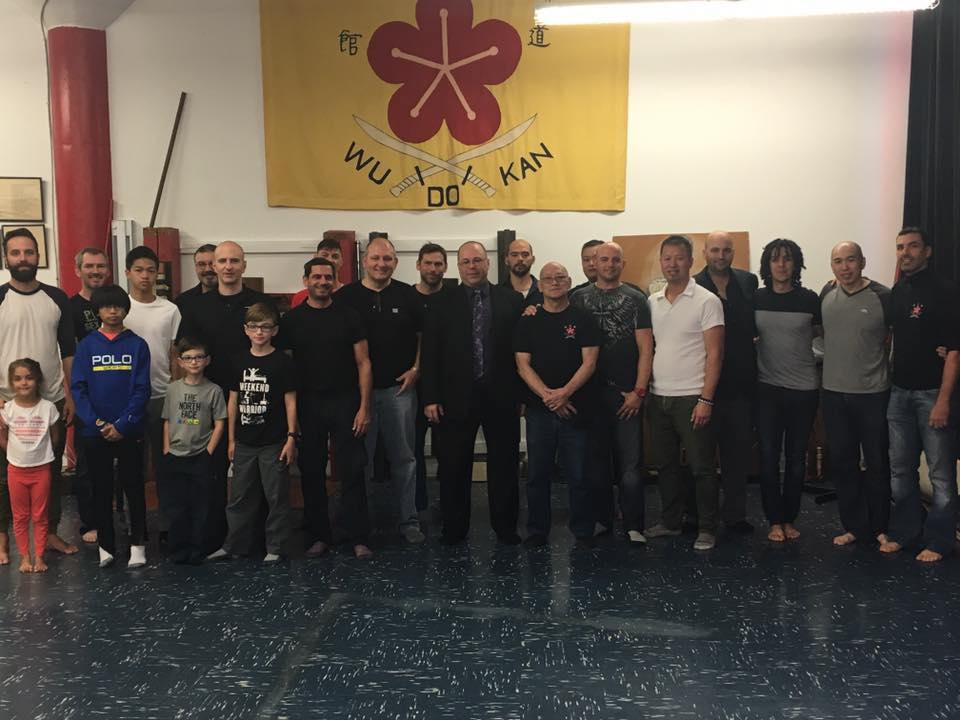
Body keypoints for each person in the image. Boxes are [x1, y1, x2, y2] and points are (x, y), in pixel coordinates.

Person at [421, 241, 524, 545]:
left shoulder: (511, 300)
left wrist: (521, 396)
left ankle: (506, 528)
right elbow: (430, 353)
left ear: (488, 263)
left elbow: (521, 352)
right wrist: (430, 397)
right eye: (465, 261)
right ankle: (454, 529)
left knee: (505, 464)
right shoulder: (442, 302)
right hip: (454, 398)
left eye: (477, 260)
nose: (472, 266)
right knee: (453, 465)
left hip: (501, 395)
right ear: (458, 265)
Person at [177, 240, 276, 551]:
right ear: (213, 267)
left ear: (244, 266)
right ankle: (214, 535)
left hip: (255, 396)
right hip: (209, 397)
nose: (229, 266)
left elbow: (277, 351)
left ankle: (255, 536)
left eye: (235, 261)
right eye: (223, 261)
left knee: (255, 472)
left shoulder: (261, 303)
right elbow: (185, 354)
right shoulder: (195, 307)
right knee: (211, 468)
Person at [278, 258, 373, 560]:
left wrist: (364, 407)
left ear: (335, 280)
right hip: (308, 404)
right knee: (311, 471)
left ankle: (357, 536)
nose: (322, 281)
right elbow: (286, 370)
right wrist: (291, 417)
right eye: (316, 276)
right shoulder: (292, 320)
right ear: (305, 280)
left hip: (346, 402)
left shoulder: (349, 315)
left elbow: (364, 363)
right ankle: (319, 535)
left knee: (353, 470)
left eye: (327, 277)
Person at [880, 228, 960, 562]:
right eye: (900, 247)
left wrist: (943, 400)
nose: (905, 252)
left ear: (927, 251)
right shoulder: (898, 290)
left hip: (932, 395)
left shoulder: (946, 291)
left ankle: (940, 541)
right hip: (899, 393)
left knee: (941, 474)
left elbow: (954, 352)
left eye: (913, 246)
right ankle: (906, 532)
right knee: (900, 471)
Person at [337, 237, 424, 543]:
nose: (381, 264)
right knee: (362, 461)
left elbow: (422, 336)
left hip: (397, 392)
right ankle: (363, 525)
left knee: (405, 459)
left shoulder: (407, 295)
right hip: (357, 395)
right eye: (375, 258)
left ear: (395, 262)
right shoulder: (345, 297)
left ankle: (408, 521)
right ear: (364, 260)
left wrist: (416, 369)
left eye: (387, 259)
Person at [0, 227, 78, 565]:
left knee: (51, 472)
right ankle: (3, 540)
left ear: (38, 256)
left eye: (29, 252)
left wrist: (71, 395)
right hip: (6, 402)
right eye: (16, 253)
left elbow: (69, 351)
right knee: (6, 474)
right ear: (6, 258)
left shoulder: (57, 298)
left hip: (51, 401)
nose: (22, 259)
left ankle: (51, 532)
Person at [645, 235, 724, 551]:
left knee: (702, 467)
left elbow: (715, 354)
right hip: (658, 396)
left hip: (692, 397)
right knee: (665, 466)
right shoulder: (652, 302)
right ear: (661, 262)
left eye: (679, 258)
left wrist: (706, 399)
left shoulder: (707, 301)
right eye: (667, 258)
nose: (672, 264)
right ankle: (671, 521)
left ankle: (706, 526)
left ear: (691, 262)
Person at [570, 241, 653, 543]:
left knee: (630, 465)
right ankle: (602, 520)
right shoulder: (578, 298)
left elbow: (646, 349)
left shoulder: (636, 299)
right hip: (590, 396)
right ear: (594, 262)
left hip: (627, 393)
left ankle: (633, 524)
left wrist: (639, 391)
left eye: (614, 260)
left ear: (623, 263)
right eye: (602, 259)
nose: (608, 264)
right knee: (595, 464)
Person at [515, 262, 601, 545]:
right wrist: (549, 397)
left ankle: (583, 529)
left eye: (560, 278)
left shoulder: (583, 318)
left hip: (576, 408)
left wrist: (564, 393)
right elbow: (522, 365)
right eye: (548, 279)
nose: (554, 282)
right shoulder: (527, 320)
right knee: (537, 474)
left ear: (569, 282)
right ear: (539, 285)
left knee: (578, 474)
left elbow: (590, 362)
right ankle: (538, 530)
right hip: (540, 411)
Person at [209, 303, 296, 564]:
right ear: (246, 330)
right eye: (254, 327)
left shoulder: (283, 361)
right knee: (239, 496)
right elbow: (233, 400)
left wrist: (292, 437)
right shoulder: (238, 360)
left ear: (275, 330)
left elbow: (291, 400)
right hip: (244, 441)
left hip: (274, 441)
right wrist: (232, 439)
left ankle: (277, 546)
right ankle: (235, 544)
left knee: (276, 496)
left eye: (265, 327)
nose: (260, 332)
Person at [71, 285, 152, 568]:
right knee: (100, 488)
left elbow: (142, 389)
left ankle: (138, 543)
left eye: (118, 306)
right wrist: (97, 422)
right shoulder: (87, 346)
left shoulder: (137, 345)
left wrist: (122, 424)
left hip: (128, 429)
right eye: (107, 307)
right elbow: (78, 389)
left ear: (125, 309)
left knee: (133, 487)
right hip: (96, 431)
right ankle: (106, 545)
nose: (113, 311)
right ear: (98, 311)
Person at [820, 242, 892, 548]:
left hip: (873, 393)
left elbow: (900, 335)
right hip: (834, 393)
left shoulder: (883, 296)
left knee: (876, 462)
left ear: (863, 261)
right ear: (832, 265)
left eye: (851, 260)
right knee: (843, 463)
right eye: (838, 261)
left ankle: (880, 527)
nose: (845, 267)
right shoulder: (826, 294)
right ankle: (854, 525)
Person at [753, 238, 821, 543]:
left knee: (795, 458)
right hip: (766, 389)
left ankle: (790, 517)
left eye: (788, 259)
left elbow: (823, 340)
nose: (782, 265)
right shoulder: (755, 298)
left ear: (797, 264)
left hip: (804, 389)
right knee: (768, 457)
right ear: (767, 265)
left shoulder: (810, 299)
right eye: (776, 259)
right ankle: (773, 519)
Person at [694, 230, 758, 534]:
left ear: (734, 253)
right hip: (703, 385)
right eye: (715, 250)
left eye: (727, 250)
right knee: (703, 459)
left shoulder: (748, 282)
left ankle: (735, 516)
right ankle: (703, 518)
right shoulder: (692, 286)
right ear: (705, 252)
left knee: (737, 457)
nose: (721, 256)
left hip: (742, 385)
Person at [123, 246, 181, 535]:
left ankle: (169, 524)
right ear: (127, 273)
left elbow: (174, 354)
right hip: (126, 398)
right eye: (138, 270)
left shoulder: (170, 309)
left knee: (165, 464)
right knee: (130, 464)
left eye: (150, 270)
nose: (145, 275)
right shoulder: (120, 310)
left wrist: (175, 390)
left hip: (161, 395)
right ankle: (133, 525)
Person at [161, 337, 227, 564]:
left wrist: (208, 451)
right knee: (177, 506)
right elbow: (167, 420)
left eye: (199, 357)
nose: (194, 362)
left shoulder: (214, 390)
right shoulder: (172, 389)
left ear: (207, 360)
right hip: (176, 455)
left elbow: (220, 423)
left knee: (202, 505)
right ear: (180, 362)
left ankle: (199, 549)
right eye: (188, 358)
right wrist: (166, 448)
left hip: (201, 455)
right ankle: (178, 549)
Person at [0, 359, 61, 573]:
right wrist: (16, 453)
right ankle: (25, 557)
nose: (23, 383)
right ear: (11, 383)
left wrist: (38, 454)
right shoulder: (7, 410)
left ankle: (40, 556)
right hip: (16, 470)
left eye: (28, 377)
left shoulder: (48, 408)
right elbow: (3, 437)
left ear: (37, 380)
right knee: (20, 516)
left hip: (41, 469)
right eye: (17, 379)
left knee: (40, 516)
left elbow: (54, 437)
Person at [70, 246, 111, 544]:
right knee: (86, 464)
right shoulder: (69, 307)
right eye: (89, 266)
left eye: (100, 266)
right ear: (78, 270)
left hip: (115, 393)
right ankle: (90, 522)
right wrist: (72, 396)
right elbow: (66, 354)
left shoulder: (115, 303)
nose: (95, 271)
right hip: (85, 396)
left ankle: (114, 517)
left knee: (119, 462)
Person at [413, 242, 449, 515]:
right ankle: (417, 505)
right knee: (413, 450)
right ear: (418, 265)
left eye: (438, 264)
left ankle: (447, 506)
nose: (433, 269)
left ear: (445, 267)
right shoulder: (406, 297)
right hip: (411, 387)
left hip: (447, 387)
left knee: (448, 451)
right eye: (428, 263)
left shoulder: (455, 298)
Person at [290, 238, 346, 308]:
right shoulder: (300, 297)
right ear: (315, 258)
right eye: (324, 255)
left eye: (335, 256)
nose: (330, 260)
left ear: (341, 261)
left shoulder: (350, 295)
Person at [174, 244, 218, 315]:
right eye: (202, 264)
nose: (208, 269)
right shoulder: (183, 301)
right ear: (196, 267)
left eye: (212, 263)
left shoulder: (236, 298)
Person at [501, 238, 542, 305]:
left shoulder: (544, 291)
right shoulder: (497, 293)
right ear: (506, 260)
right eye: (514, 255)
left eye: (525, 255)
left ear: (533, 259)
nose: (520, 259)